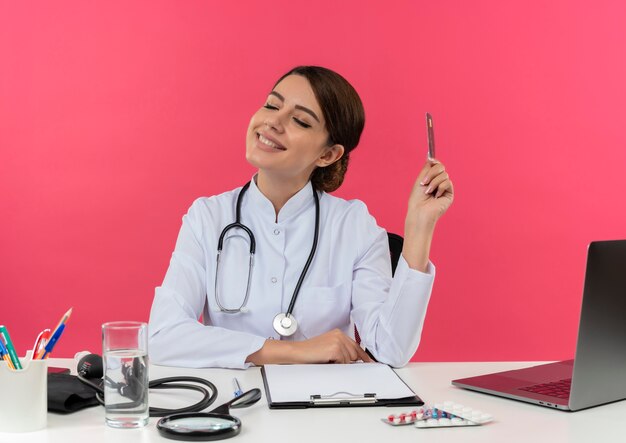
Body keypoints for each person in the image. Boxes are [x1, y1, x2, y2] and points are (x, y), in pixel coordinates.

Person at [148, 66, 454, 369]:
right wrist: (296, 352)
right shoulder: (208, 217)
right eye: (272, 104)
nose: (273, 122)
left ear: (328, 155)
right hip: (236, 404)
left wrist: (419, 227)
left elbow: (390, 350)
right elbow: (163, 336)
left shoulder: (353, 225)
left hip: (323, 409)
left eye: (300, 121)